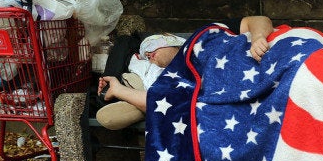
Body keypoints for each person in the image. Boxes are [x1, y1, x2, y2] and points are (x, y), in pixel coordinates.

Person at [97, 16, 274, 113]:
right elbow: (161, 101)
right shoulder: (173, 77)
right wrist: (118, 89)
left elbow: (259, 20)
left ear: (169, 38)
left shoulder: (205, 36)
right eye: (146, 56)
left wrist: (258, 37)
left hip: (266, 61)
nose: (149, 54)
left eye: (150, 47)